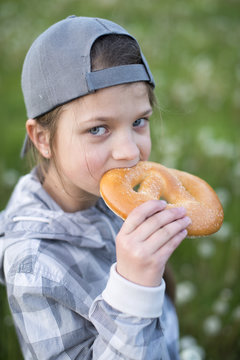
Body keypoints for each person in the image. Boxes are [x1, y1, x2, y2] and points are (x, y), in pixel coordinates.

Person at [0, 15, 191, 359]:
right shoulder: (33, 265)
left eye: (138, 122)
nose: (130, 152)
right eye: (98, 129)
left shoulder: (109, 192)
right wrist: (134, 288)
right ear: (42, 138)